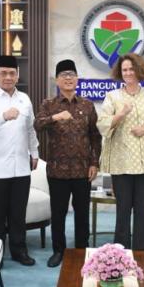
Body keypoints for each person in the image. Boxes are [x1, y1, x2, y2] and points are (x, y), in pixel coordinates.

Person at [34, 59, 102, 267]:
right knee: (59, 213)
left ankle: (82, 250)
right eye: (64, 75)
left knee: (82, 214)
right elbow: (37, 125)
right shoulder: (49, 104)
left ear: (77, 79)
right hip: (57, 171)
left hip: (83, 170)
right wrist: (55, 117)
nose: (68, 78)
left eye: (72, 74)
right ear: (57, 80)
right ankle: (58, 251)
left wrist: (94, 163)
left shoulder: (87, 105)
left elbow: (95, 136)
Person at [0, 55, 40, 266]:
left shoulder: (25, 99)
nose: (8, 77)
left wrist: (34, 152)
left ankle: (19, 250)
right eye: (3, 73)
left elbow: (30, 129)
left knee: (18, 213)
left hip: (21, 166)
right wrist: (2, 116)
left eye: (12, 73)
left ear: (17, 75)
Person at [97, 53, 144, 251]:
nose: (128, 73)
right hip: (121, 162)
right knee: (123, 211)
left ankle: (142, 253)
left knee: (143, 211)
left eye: (131, 69)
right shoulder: (112, 96)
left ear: (139, 70)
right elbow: (102, 124)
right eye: (124, 70)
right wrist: (121, 114)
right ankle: (121, 253)